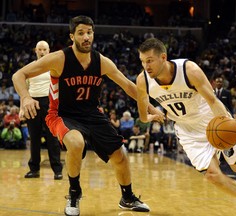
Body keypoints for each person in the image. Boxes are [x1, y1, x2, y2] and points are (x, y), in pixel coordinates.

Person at [12, 16, 162, 216]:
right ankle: (74, 194)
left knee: (121, 154)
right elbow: (18, 75)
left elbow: (128, 86)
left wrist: (151, 108)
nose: (86, 37)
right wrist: (25, 97)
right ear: (72, 36)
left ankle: (127, 197)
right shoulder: (59, 58)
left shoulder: (101, 62)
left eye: (89, 32)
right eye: (81, 33)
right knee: (75, 142)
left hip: (92, 114)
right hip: (61, 114)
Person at [136, 38, 236, 216]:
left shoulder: (188, 70)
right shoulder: (143, 81)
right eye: (142, 61)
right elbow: (143, 115)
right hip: (186, 129)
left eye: (150, 60)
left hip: (212, 121)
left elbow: (213, 100)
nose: (146, 66)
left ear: (163, 57)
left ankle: (226, 147)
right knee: (212, 176)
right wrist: (154, 114)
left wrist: (228, 122)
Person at [22, 40, 63, 180]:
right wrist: (23, 106)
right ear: (35, 51)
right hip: (32, 103)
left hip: (50, 103)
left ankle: (57, 170)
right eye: (39, 49)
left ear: (48, 51)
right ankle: (34, 170)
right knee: (34, 138)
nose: (42, 52)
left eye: (44, 49)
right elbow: (25, 89)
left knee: (52, 138)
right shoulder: (30, 68)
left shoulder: (54, 67)